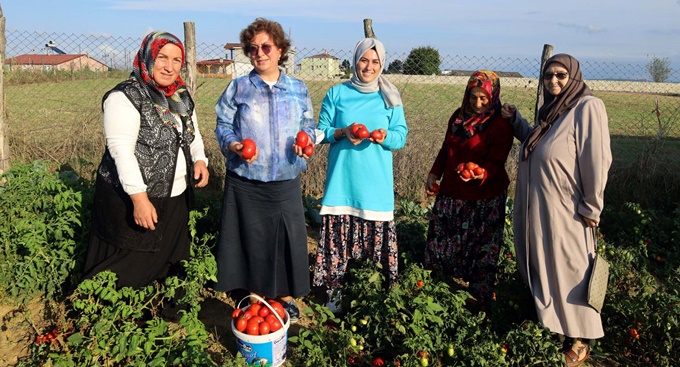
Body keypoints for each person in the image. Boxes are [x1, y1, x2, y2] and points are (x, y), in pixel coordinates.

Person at [501, 53, 612, 367]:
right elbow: (539, 144)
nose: (553, 82)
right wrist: (516, 122)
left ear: (573, 77)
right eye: (549, 76)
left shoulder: (588, 107)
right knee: (546, 266)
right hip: (539, 208)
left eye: (560, 76)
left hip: (568, 210)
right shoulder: (552, 113)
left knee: (573, 268)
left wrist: (591, 206)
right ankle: (553, 325)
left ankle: (580, 338)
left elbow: (597, 159)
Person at [83, 31, 210, 289]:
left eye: (177, 60)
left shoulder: (180, 95)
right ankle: (108, 313)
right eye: (163, 57)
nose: (170, 66)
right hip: (133, 196)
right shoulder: (125, 97)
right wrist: (139, 199)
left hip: (175, 193)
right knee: (130, 260)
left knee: (166, 256)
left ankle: (158, 308)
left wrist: (200, 159)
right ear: (148, 57)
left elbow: (192, 132)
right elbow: (121, 150)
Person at [214, 18, 315, 323]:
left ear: (280, 50)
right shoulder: (239, 87)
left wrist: (306, 142)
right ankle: (256, 296)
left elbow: (308, 126)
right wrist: (232, 145)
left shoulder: (298, 89)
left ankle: (284, 297)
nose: (259, 53)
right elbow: (223, 124)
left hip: (285, 177)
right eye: (253, 48)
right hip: (247, 178)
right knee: (252, 237)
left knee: (286, 237)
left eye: (266, 46)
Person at [312, 37, 408, 312]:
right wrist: (343, 133)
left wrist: (383, 137)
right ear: (355, 61)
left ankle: (372, 296)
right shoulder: (337, 93)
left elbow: (400, 137)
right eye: (364, 60)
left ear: (382, 64)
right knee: (337, 243)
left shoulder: (390, 97)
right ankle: (335, 297)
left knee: (374, 245)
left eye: (375, 61)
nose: (369, 66)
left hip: (375, 186)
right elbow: (320, 132)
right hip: (342, 182)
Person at [423, 70, 513, 311]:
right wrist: (434, 173)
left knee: (482, 248)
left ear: (493, 96)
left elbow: (497, 161)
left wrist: (480, 173)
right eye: (473, 97)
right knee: (441, 243)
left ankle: (477, 300)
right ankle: (438, 289)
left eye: (483, 98)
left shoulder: (500, 123)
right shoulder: (457, 117)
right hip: (452, 193)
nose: (478, 103)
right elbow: (445, 149)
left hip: (485, 197)